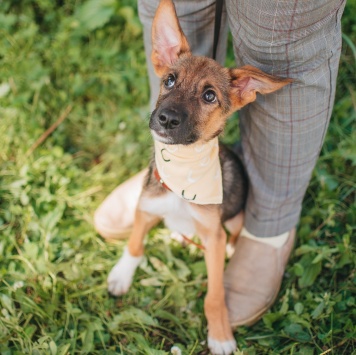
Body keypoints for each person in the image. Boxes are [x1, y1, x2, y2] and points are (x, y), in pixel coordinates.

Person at [94, 0, 347, 327]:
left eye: (208, 95)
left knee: (280, 33)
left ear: (241, 92)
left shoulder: (239, 89)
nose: (172, 109)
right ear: (162, 58)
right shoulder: (168, 60)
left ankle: (270, 225)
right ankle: (166, 173)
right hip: (173, 178)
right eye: (171, 81)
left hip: (218, 203)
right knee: (184, 5)